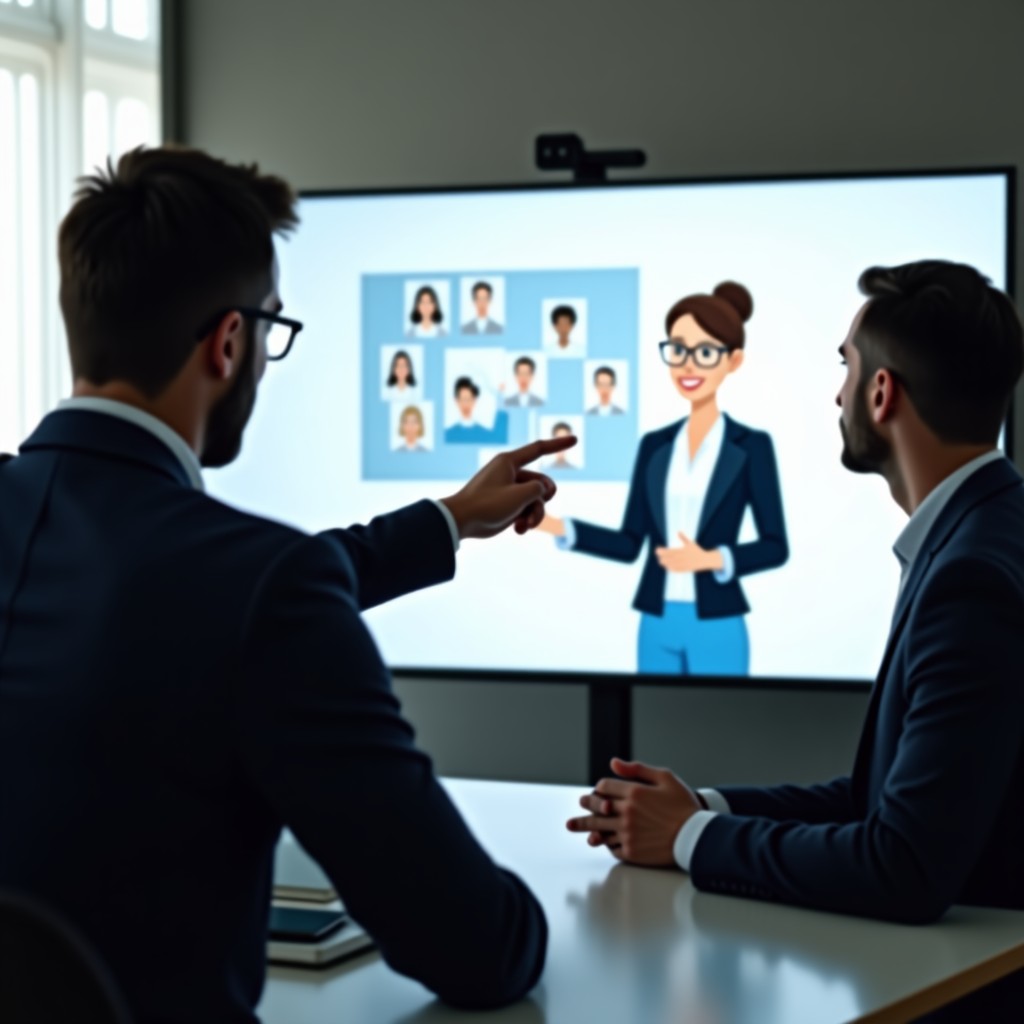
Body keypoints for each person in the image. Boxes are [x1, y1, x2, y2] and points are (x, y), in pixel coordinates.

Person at [0, 147, 574, 1024]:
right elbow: (475, 946)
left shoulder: (238, 581)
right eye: (272, 327)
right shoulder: (259, 590)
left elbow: (198, 591)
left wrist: (449, 520)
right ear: (230, 342)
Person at [567, 260, 1024, 1022]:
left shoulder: (970, 576)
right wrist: (695, 809)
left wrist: (692, 838)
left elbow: (903, 865)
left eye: (845, 368)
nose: (837, 392)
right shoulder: (981, 532)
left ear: (883, 395)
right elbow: (879, 803)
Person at [540, 282, 788, 676]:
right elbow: (628, 544)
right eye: (678, 350)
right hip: (656, 620)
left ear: (734, 360)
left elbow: (776, 546)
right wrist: (550, 524)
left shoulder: (751, 446)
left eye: (705, 353)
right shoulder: (654, 446)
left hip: (717, 620)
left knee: (722, 729)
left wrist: (711, 559)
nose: (688, 365)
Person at [444, 375, 509, 445]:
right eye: (463, 399)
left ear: (474, 401)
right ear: (456, 401)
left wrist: (500, 396)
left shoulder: (483, 433)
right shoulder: (448, 434)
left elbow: (499, 438)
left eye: (469, 399)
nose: (466, 404)